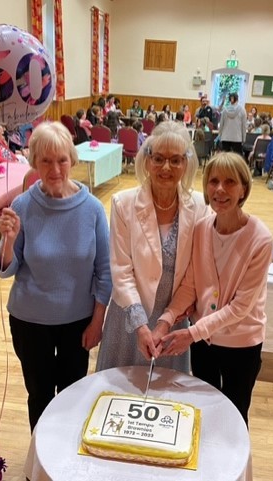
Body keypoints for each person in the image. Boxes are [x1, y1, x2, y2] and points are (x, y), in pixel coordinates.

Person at [0, 122, 112, 431]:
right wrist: (7, 239)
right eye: (46, 161)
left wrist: (98, 321)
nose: (55, 168)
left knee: (73, 396)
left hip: (78, 322)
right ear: (35, 164)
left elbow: (104, 271)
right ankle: (42, 465)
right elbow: (5, 269)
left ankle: (66, 462)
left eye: (61, 160)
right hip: (30, 322)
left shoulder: (93, 209)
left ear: (72, 160)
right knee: (40, 394)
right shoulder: (22, 205)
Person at [151, 152, 273, 426]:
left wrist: (192, 334)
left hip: (241, 344)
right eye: (214, 181)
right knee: (204, 412)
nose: (220, 189)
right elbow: (191, 286)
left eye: (230, 182)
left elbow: (241, 308)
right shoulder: (202, 228)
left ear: (244, 189)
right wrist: (166, 320)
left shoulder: (261, 239)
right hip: (205, 343)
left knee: (234, 416)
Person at [96, 121, 209, 374]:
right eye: (158, 158)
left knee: (166, 393)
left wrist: (166, 321)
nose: (166, 167)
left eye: (175, 160)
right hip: (128, 318)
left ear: (186, 163)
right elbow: (121, 270)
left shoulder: (200, 207)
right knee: (119, 394)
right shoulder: (123, 203)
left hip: (173, 320)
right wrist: (140, 325)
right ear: (146, 161)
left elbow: (193, 273)